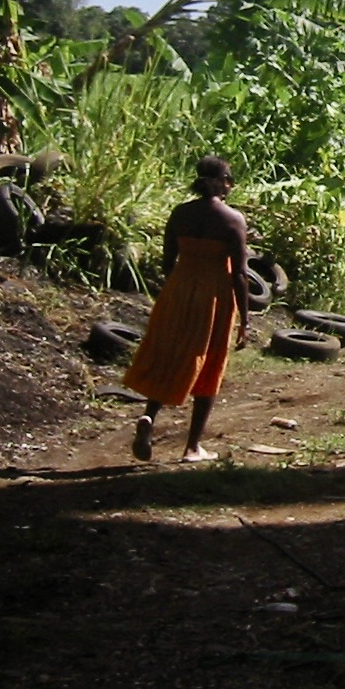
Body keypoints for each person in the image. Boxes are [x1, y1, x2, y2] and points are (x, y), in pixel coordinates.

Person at [123, 156, 250, 462]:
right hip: (214, 294)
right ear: (220, 182)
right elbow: (240, 275)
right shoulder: (233, 220)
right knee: (209, 362)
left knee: (170, 354)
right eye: (228, 180)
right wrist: (246, 318)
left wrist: (178, 288)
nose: (230, 185)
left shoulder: (180, 213)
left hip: (179, 288)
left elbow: (168, 261)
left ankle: (150, 417)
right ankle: (193, 446)